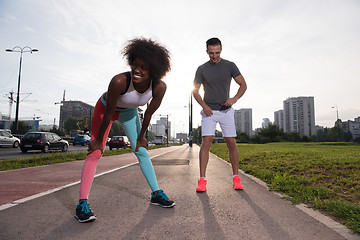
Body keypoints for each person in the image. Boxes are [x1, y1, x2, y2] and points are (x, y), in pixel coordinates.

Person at [75, 38, 175, 223]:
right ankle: (82, 204)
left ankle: (156, 193)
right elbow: (108, 114)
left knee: (141, 150)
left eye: (144, 67)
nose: (137, 70)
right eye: (135, 65)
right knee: (96, 152)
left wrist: (142, 137)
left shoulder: (159, 87)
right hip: (105, 109)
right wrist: (98, 140)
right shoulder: (120, 81)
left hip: (129, 114)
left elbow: (148, 114)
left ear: (154, 70)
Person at [192, 37, 247, 192]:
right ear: (207, 52)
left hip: (226, 111)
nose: (214, 56)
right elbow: (195, 91)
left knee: (231, 142)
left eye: (217, 52)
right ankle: (202, 180)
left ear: (221, 50)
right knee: (206, 142)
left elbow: (243, 84)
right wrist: (204, 106)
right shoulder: (202, 69)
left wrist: (234, 98)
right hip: (209, 112)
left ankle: (236, 178)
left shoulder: (230, 66)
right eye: (211, 53)